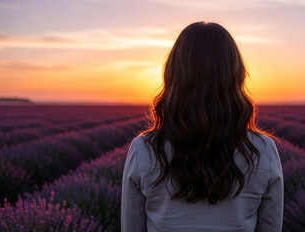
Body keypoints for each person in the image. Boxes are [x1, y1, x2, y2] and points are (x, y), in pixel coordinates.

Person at [121, 21, 283, 232]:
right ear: (235, 75)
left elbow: (131, 226)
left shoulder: (144, 149)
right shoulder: (263, 150)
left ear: (174, 75)